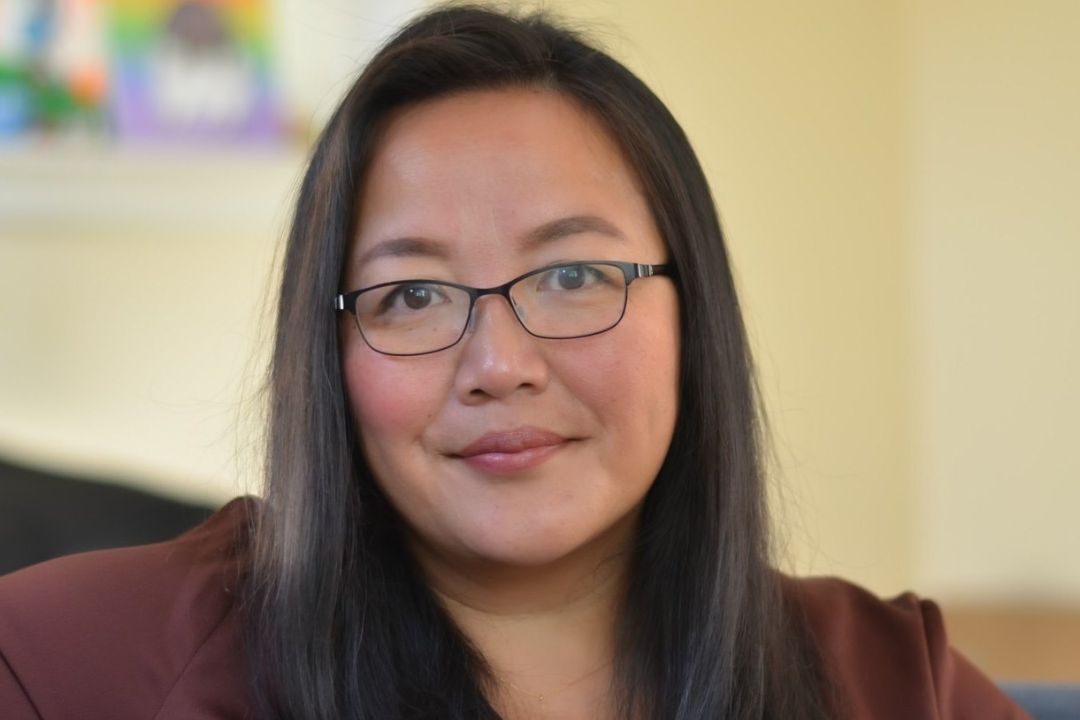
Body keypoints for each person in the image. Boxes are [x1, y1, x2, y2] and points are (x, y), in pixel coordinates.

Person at [0, 6, 1031, 719]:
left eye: (575, 276)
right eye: (412, 295)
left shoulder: (897, 681)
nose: (500, 363)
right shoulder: (65, 665)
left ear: (694, 314)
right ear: (327, 356)